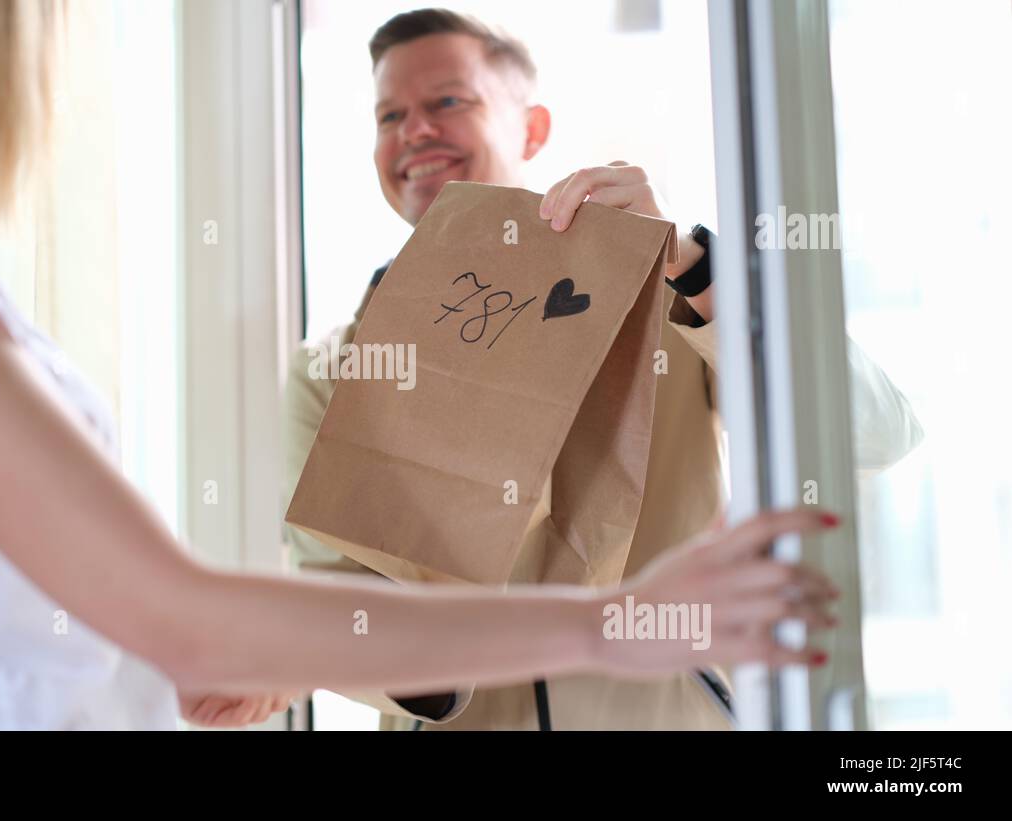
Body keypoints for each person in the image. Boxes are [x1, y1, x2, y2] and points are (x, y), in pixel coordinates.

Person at [0, 0, 839, 731]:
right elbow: (192, 617)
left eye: (447, 100)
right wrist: (616, 619)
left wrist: (686, 259)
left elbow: (854, 412)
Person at [284, 8, 922, 730]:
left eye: (447, 102)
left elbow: (870, 434)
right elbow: (326, 609)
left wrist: (694, 265)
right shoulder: (331, 370)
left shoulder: (666, 294)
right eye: (388, 115)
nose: (414, 131)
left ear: (531, 129)